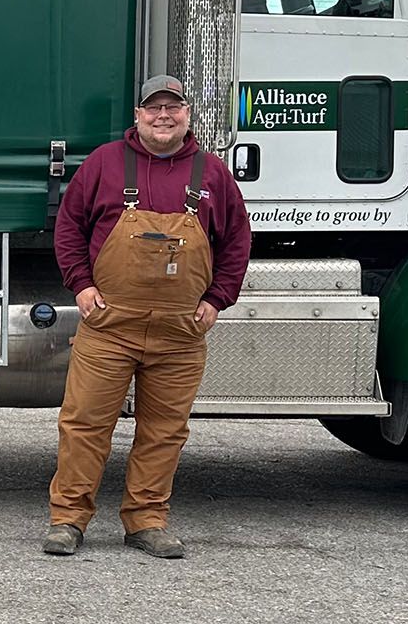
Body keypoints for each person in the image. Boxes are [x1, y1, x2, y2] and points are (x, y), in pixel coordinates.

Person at [41, 75, 252, 559]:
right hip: (110, 327)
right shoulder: (105, 164)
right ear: (137, 115)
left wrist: (217, 299)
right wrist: (82, 285)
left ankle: (146, 521)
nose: (163, 116)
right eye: (153, 108)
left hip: (180, 331)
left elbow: (237, 242)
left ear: (187, 115)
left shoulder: (212, 173)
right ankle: (68, 520)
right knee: (85, 423)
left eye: (172, 107)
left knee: (164, 430)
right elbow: (69, 225)